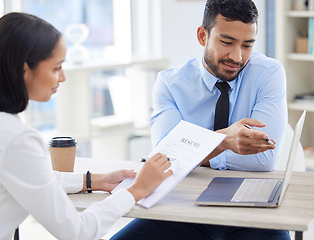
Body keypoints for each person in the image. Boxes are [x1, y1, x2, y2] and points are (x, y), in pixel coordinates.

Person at [0, 12, 173, 240]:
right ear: (22, 70)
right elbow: (78, 232)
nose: (62, 77)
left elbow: (35, 178)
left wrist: (95, 181)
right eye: (56, 68)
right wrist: (136, 190)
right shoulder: (13, 137)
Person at [110, 0, 290, 239]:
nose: (237, 57)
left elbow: (264, 159)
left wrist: (191, 152)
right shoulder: (170, 84)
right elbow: (164, 160)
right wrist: (225, 141)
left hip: (253, 214)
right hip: (180, 211)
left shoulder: (268, 74)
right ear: (202, 35)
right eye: (227, 42)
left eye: (247, 45)